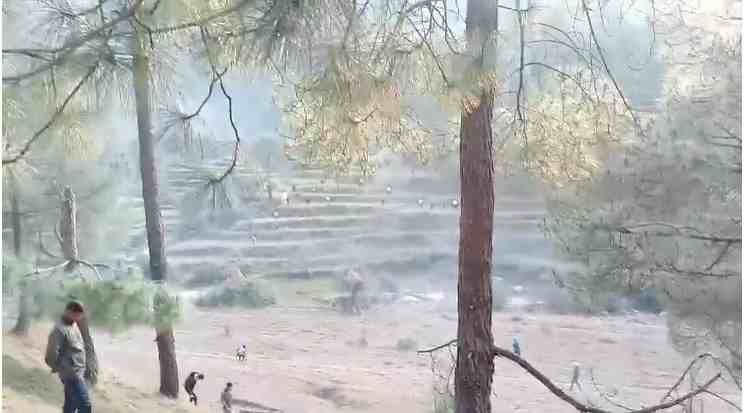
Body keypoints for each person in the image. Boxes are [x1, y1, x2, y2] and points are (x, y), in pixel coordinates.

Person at [45, 300, 91, 413]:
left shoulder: (73, 325)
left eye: (79, 315)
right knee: (85, 406)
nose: (77, 318)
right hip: (72, 375)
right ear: (68, 311)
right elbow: (50, 355)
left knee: (70, 406)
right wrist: (64, 370)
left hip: (78, 373)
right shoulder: (59, 329)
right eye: (75, 315)